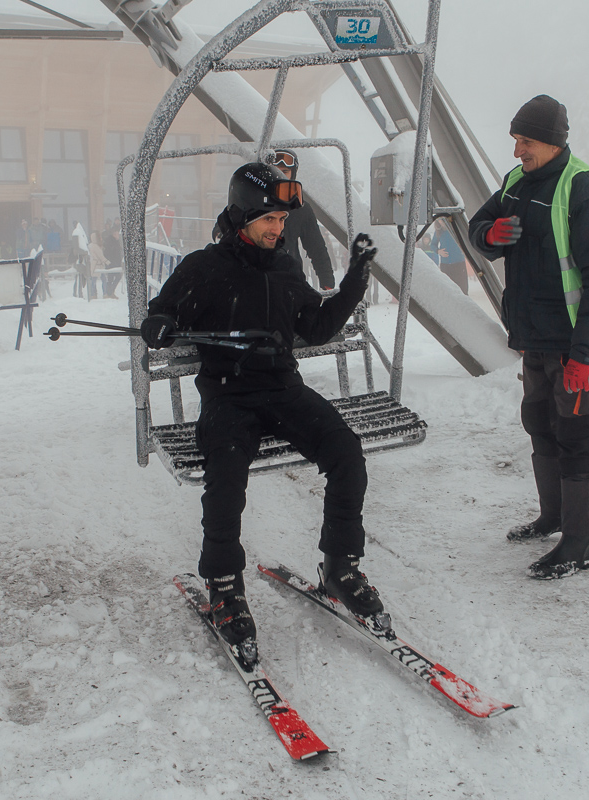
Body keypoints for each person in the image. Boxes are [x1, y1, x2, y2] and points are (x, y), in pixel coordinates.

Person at [140, 162, 382, 659]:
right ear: (243, 215)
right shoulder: (204, 267)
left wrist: (355, 281)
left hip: (283, 390)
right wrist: (158, 324)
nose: (278, 228)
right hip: (228, 396)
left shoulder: (284, 268)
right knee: (226, 477)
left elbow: (316, 327)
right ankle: (225, 584)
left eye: (282, 220)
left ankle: (340, 566)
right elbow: (163, 311)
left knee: (345, 451)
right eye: (269, 219)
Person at [469, 94, 589, 581]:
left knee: (579, 437)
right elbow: (477, 226)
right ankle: (553, 517)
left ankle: (580, 543)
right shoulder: (517, 182)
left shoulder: (588, 192)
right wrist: (489, 236)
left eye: (526, 141)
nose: (517, 151)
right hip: (536, 341)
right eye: (515, 140)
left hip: (578, 349)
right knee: (541, 426)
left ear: (553, 142)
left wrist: (585, 355)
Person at [271, 150, 336, 289]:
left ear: (292, 174)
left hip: (290, 283)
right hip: (257, 283)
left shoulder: (300, 209)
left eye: (285, 172)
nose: (280, 176)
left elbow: (317, 249)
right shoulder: (253, 201)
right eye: (275, 171)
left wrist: (327, 285)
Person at [432, 222, 469, 295]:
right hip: (445, 264)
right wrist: (438, 251)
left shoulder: (456, 228)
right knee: (448, 289)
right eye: (439, 220)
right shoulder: (439, 231)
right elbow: (433, 245)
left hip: (459, 263)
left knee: (463, 288)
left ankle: (463, 301)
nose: (442, 221)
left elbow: (467, 240)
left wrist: (465, 250)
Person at [101, 220, 122, 299]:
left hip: (116, 263)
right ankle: (110, 292)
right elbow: (109, 253)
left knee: (115, 277)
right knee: (112, 278)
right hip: (112, 263)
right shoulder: (110, 242)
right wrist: (111, 262)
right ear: (113, 234)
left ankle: (110, 292)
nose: (117, 235)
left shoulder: (116, 241)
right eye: (116, 234)